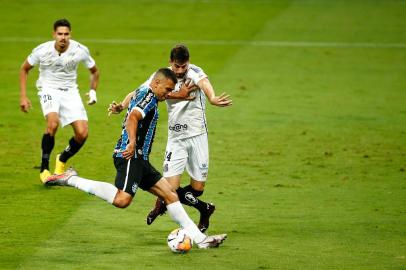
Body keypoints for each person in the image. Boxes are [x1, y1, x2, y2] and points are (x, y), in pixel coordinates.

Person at [44, 68, 227, 248]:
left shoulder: (146, 92)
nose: (169, 93)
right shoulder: (148, 99)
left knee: (170, 194)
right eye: (168, 89)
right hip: (130, 155)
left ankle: (200, 240)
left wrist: (121, 106)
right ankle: (72, 179)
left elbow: (132, 96)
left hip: (140, 158)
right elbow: (133, 118)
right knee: (122, 200)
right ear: (156, 83)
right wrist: (132, 143)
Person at [108, 44, 232, 232]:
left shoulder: (195, 73)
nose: (180, 70)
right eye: (177, 66)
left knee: (197, 188)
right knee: (169, 188)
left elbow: (205, 83)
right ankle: (191, 207)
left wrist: (213, 98)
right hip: (176, 137)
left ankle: (175, 205)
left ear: (188, 63)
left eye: (184, 66)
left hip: (197, 135)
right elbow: (137, 93)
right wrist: (122, 106)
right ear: (170, 63)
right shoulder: (163, 77)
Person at [19, 18, 100, 182]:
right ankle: (44, 169)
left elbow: (95, 71)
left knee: (82, 133)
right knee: (53, 123)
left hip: (70, 92)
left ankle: (61, 159)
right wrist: (23, 96)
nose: (63, 37)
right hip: (48, 89)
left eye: (66, 34)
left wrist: (92, 91)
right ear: (54, 34)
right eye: (60, 34)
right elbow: (24, 69)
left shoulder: (80, 50)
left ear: (70, 34)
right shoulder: (41, 50)